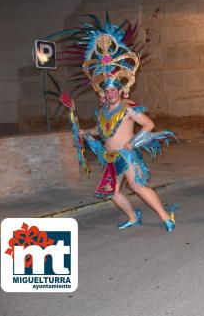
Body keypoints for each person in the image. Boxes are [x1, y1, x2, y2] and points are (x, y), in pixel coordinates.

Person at [47, 15, 179, 232]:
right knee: (113, 192)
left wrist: (134, 142)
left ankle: (166, 216)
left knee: (139, 188)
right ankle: (133, 216)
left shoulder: (128, 109)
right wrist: (84, 132)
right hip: (111, 157)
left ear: (121, 90)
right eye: (106, 90)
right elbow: (101, 131)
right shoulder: (102, 111)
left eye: (113, 90)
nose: (110, 93)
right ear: (103, 92)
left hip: (127, 155)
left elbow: (149, 125)